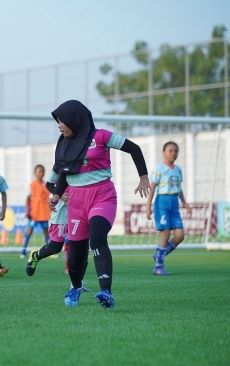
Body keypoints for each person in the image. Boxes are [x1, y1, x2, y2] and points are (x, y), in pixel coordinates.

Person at [48, 100, 150, 309]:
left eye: (61, 121)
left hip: (102, 197)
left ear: (73, 120)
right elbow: (65, 175)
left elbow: (134, 148)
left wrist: (143, 177)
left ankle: (106, 292)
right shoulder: (64, 144)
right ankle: (76, 287)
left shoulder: (101, 136)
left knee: (97, 238)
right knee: (75, 255)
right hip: (76, 203)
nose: (58, 125)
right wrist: (57, 196)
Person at [145, 141, 191, 275]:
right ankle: (158, 267)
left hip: (174, 203)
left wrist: (185, 203)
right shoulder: (159, 168)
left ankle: (159, 255)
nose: (173, 153)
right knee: (165, 233)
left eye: (175, 151)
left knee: (180, 235)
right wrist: (148, 207)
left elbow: (179, 188)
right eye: (170, 151)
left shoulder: (178, 170)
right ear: (164, 153)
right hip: (162, 202)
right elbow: (152, 188)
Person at [21, 164, 51, 258]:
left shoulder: (46, 185)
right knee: (29, 231)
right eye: (39, 171)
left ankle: (50, 252)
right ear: (35, 173)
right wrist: (27, 211)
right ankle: (23, 251)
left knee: (46, 232)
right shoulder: (32, 185)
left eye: (43, 171)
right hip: (33, 213)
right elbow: (27, 199)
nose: (41, 173)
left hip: (44, 213)